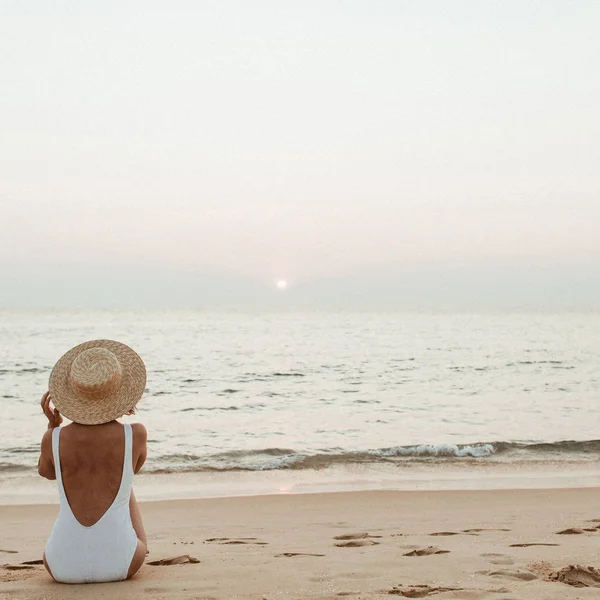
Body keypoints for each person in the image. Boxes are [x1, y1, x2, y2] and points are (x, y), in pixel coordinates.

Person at [37, 339, 148, 583]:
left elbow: (47, 473)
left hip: (61, 566)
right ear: (121, 392)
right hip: (122, 560)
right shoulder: (136, 434)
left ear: (73, 393)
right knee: (124, 484)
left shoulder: (53, 438)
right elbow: (133, 469)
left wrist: (52, 429)